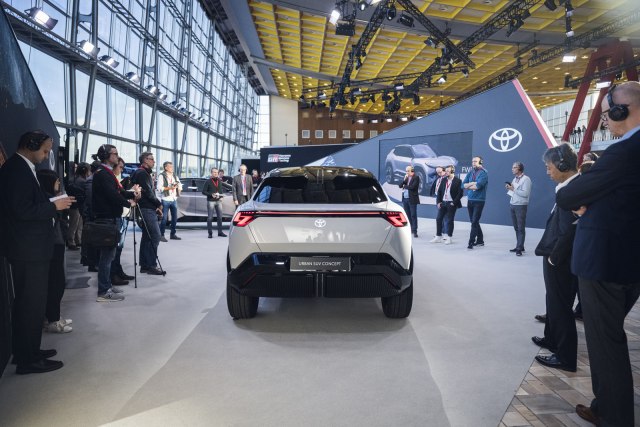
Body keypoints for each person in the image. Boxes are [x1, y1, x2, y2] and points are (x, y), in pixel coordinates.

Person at [556, 81, 640, 427]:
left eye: (607, 114)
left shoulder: (625, 150)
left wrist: (588, 199)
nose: (604, 121)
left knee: (606, 342)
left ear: (623, 110)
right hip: (629, 260)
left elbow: (567, 195)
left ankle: (612, 415)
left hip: (604, 262)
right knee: (611, 337)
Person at [0, 130, 74, 374]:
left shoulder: (20, 168)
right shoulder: (16, 170)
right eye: (44, 150)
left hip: (30, 248)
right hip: (28, 249)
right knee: (30, 305)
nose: (45, 155)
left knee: (29, 304)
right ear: (30, 145)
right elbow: (22, 210)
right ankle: (28, 359)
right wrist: (54, 206)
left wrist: (52, 202)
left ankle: (28, 351)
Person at [532, 144, 579, 374]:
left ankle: (565, 356)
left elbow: (570, 229)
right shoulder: (568, 186)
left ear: (562, 165)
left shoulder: (574, 189)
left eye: (549, 167)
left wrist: (555, 258)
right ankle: (551, 339)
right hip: (556, 255)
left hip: (561, 259)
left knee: (560, 306)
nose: (548, 172)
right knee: (553, 301)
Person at [91, 145, 138, 301]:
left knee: (109, 255)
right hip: (107, 218)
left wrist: (131, 194)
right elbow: (112, 195)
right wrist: (128, 203)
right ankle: (103, 291)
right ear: (106, 155)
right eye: (115, 153)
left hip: (111, 217)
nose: (117, 156)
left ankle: (106, 286)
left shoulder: (106, 172)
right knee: (106, 256)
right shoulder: (103, 173)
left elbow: (119, 191)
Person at [36, 169, 72, 333]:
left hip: (56, 244)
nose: (59, 185)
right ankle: (52, 319)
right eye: (57, 182)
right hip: (50, 246)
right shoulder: (47, 203)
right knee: (54, 284)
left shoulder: (51, 201)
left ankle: (53, 317)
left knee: (56, 283)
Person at [131, 152, 164, 275]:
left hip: (146, 207)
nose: (154, 161)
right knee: (155, 235)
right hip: (146, 208)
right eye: (151, 159)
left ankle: (145, 265)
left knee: (147, 237)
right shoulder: (142, 173)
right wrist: (158, 204)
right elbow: (148, 192)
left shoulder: (142, 173)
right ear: (145, 160)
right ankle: (151, 265)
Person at [109, 157, 135, 286]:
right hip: (115, 216)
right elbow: (116, 196)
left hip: (121, 215)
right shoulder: (110, 179)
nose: (121, 170)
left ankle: (118, 272)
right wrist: (129, 202)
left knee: (119, 247)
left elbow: (122, 193)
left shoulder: (116, 179)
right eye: (120, 167)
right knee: (116, 248)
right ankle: (113, 275)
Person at [505, 162, 532, 256]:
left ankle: (519, 248)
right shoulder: (514, 179)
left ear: (520, 169)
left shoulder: (526, 179)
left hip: (521, 205)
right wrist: (509, 188)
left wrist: (513, 189)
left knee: (520, 228)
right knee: (516, 227)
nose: (512, 169)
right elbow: (514, 191)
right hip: (513, 204)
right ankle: (520, 246)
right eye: (512, 167)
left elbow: (525, 194)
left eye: (514, 167)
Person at [462, 156, 489, 249]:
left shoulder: (483, 173)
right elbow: (462, 185)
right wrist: (472, 183)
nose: (473, 163)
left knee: (474, 222)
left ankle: (471, 242)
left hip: (479, 201)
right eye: (472, 161)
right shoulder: (471, 172)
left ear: (481, 162)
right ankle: (480, 241)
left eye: (475, 161)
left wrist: (470, 185)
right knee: (474, 222)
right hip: (470, 200)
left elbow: (477, 186)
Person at [433, 165, 462, 244]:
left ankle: (449, 237)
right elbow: (439, 192)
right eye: (445, 171)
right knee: (438, 219)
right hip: (443, 202)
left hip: (451, 203)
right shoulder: (444, 180)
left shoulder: (458, 181)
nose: (446, 172)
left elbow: (460, 194)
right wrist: (438, 202)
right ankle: (438, 236)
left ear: (452, 171)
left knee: (449, 220)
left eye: (448, 171)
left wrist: (453, 203)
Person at [65, 162, 90, 250]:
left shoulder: (73, 179)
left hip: (73, 204)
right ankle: (72, 242)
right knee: (76, 224)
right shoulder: (83, 181)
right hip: (78, 205)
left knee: (75, 224)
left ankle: (75, 241)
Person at [157, 161, 181, 241]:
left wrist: (178, 191)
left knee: (175, 218)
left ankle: (172, 234)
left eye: (172, 166)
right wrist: (170, 188)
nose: (172, 168)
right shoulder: (161, 176)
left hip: (173, 199)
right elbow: (159, 188)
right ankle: (161, 235)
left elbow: (179, 185)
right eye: (170, 167)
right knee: (164, 219)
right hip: (165, 199)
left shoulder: (174, 175)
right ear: (166, 168)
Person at [202, 168, 230, 238]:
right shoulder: (208, 181)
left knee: (220, 217)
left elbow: (220, 191)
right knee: (210, 218)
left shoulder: (219, 181)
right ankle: (210, 233)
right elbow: (203, 192)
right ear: (211, 173)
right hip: (211, 201)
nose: (216, 174)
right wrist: (211, 194)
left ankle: (220, 232)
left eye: (217, 172)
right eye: (214, 172)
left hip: (218, 201)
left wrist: (221, 195)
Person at [399, 165, 420, 238]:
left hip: (412, 199)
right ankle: (410, 229)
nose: (407, 172)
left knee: (413, 215)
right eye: (406, 171)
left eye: (408, 171)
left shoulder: (416, 177)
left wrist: (405, 186)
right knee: (407, 215)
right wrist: (404, 180)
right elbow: (400, 186)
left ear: (412, 171)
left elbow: (412, 187)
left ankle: (415, 231)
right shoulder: (407, 178)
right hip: (405, 199)